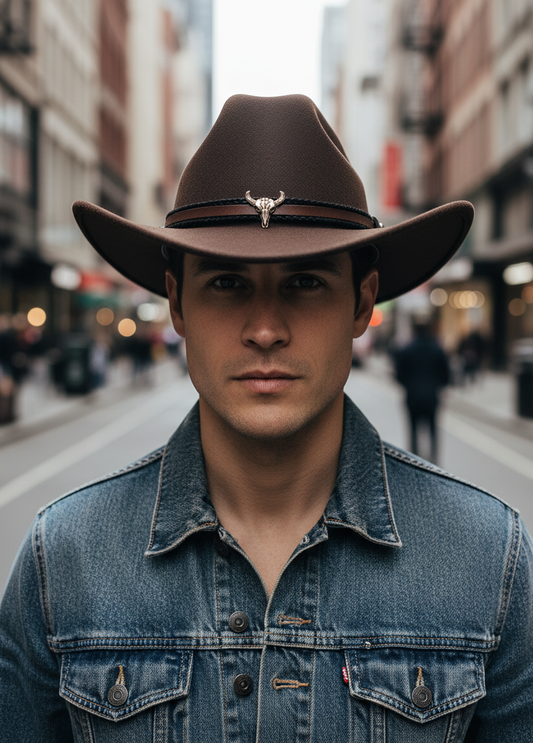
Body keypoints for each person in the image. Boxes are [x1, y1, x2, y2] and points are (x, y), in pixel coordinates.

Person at [0, 94, 531, 741]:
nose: (264, 329)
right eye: (227, 282)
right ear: (176, 304)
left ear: (361, 303)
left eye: (304, 282)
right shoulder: (65, 557)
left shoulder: (486, 557)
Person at [394, 317, 450, 462]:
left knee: (413, 430)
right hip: (432, 396)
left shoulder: (407, 349)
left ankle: (414, 460)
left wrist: (409, 385)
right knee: (432, 429)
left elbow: (399, 375)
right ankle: (434, 461)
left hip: (412, 396)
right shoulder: (437, 349)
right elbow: (446, 375)